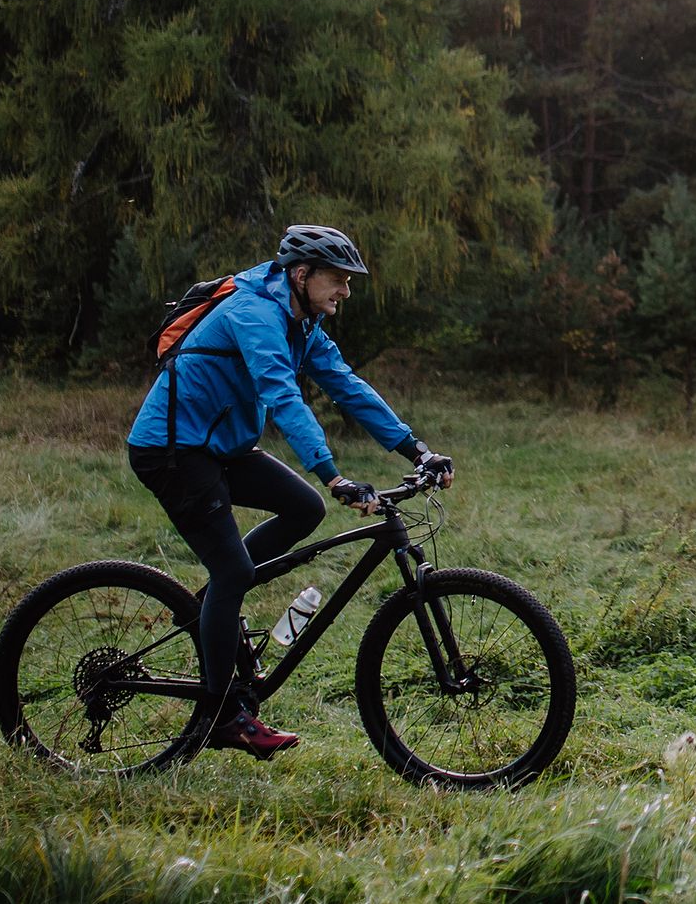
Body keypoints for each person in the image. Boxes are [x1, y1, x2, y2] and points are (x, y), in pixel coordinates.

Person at [125, 224, 453, 757]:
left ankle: (215, 604)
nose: (345, 291)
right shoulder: (253, 314)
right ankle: (222, 715)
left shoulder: (302, 323)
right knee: (236, 568)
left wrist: (416, 450)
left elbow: (347, 386)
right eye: (338, 279)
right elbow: (280, 393)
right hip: (174, 451)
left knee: (303, 508)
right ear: (301, 275)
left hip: (221, 448)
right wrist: (333, 472)